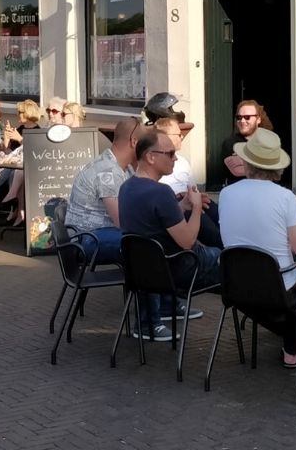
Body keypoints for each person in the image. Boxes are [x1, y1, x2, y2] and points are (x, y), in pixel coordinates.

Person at [218, 128, 296, 368]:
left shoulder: (225, 194)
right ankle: (291, 350)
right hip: (278, 290)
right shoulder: (284, 197)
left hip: (236, 287)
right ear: (276, 165)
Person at [118, 128, 221, 342]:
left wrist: (180, 206)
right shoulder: (160, 192)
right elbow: (187, 241)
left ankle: (161, 311)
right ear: (150, 157)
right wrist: (194, 209)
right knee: (235, 261)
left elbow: (152, 221)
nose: (175, 158)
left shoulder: (127, 187)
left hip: (146, 271)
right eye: (170, 153)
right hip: (179, 270)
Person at [68, 117, 140, 265]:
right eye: (145, 142)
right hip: (86, 240)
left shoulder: (126, 168)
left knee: (149, 238)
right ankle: (147, 286)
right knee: (145, 242)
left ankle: (144, 285)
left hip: (98, 233)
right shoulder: (108, 171)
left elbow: (140, 203)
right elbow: (122, 222)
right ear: (134, 141)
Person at [156, 115, 222, 248]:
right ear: (165, 136)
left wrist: (197, 198)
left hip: (190, 200)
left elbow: (193, 188)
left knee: (220, 214)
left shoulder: (183, 161)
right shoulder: (157, 162)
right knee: (213, 233)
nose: (181, 137)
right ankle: (224, 254)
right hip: (176, 206)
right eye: (178, 134)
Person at [218, 99, 273, 185]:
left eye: (247, 117)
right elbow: (236, 171)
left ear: (258, 119)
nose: (242, 121)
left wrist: (242, 161)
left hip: (265, 193)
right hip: (238, 194)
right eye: (239, 117)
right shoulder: (230, 143)